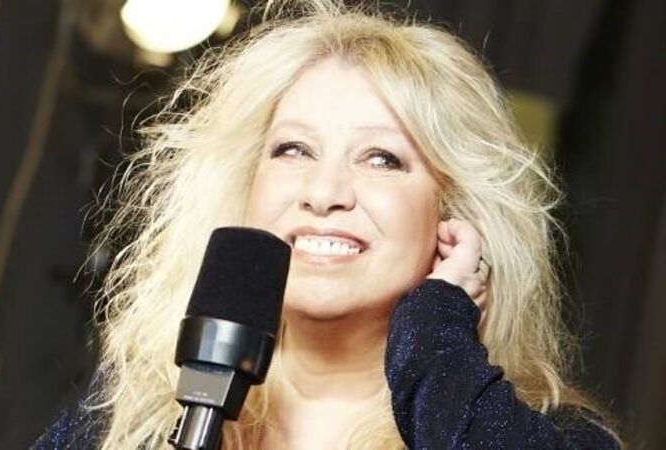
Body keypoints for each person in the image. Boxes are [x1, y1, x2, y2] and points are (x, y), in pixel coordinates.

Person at [35, 1, 621, 448]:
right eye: (293, 150)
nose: (323, 193)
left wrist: (438, 343)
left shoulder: (546, 434)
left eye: (381, 159)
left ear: (454, 217)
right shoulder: (131, 421)